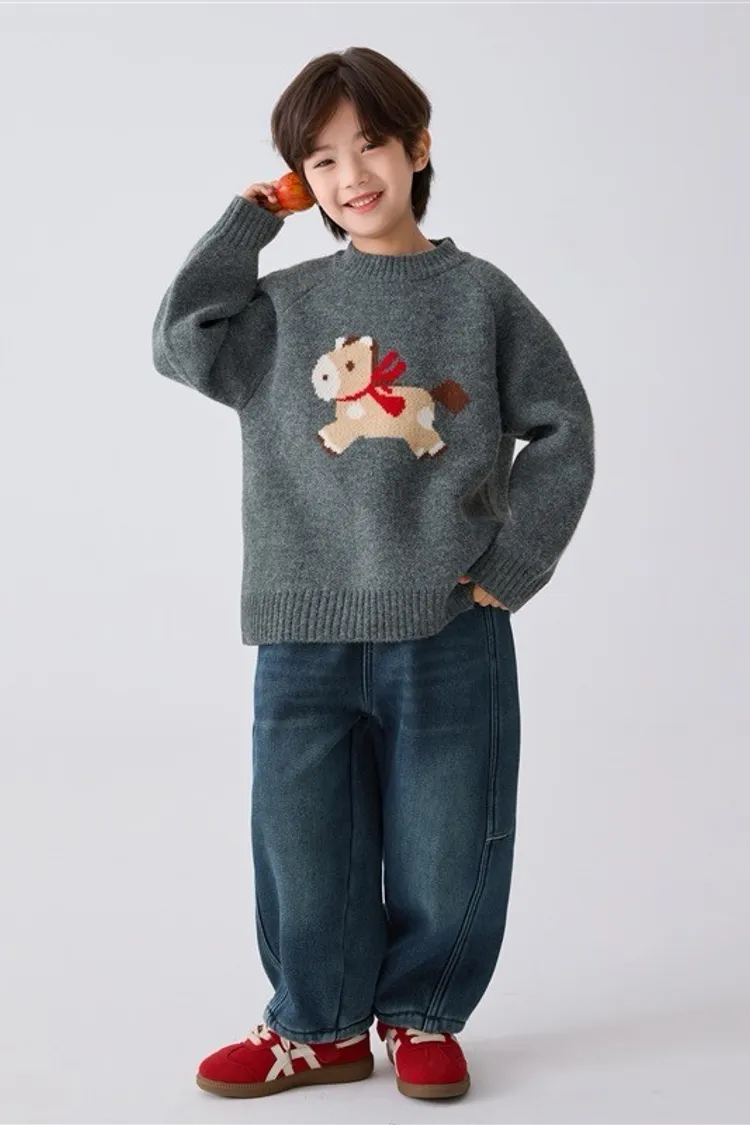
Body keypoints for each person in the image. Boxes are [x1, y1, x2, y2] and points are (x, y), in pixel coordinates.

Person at [151, 45, 595, 1102]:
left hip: (448, 619)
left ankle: (423, 1013)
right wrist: (253, 218)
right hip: (301, 627)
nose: (352, 176)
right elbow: (180, 340)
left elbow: (563, 428)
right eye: (322, 160)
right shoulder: (281, 309)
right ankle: (318, 1026)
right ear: (301, 177)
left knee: (449, 833)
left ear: (418, 147)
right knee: (303, 838)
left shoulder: (481, 297)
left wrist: (510, 565)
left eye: (372, 146)